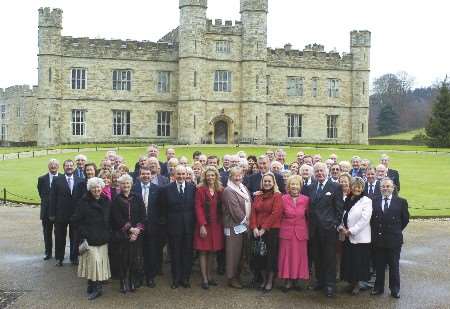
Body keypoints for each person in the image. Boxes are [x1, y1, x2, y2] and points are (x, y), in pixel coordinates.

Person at [306, 162, 343, 297]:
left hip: (329, 230)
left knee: (329, 258)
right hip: (314, 229)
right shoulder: (310, 187)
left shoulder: (335, 187)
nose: (319, 173)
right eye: (317, 172)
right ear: (314, 174)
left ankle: (330, 285)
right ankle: (320, 281)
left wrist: (334, 224)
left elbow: (339, 208)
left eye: (321, 171)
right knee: (317, 257)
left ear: (326, 172)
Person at [71, 177, 111, 300]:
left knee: (99, 264)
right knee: (93, 263)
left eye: (98, 187)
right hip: (89, 238)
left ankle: (96, 287)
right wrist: (84, 233)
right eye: (93, 187)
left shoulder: (106, 201)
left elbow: (110, 219)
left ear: (102, 187)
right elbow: (75, 220)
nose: (96, 189)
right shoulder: (84, 201)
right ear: (90, 189)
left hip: (102, 238)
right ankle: (94, 286)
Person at [158, 165, 196, 289]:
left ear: (186, 175)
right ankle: (176, 278)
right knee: (175, 254)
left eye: (183, 174)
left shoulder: (192, 188)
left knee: (187, 253)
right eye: (178, 174)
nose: (180, 176)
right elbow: (162, 210)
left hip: (188, 227)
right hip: (173, 228)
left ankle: (185, 278)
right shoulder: (166, 189)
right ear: (174, 175)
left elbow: (194, 209)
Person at [371, 178, 409, 299]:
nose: (385, 188)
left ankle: (395, 289)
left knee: (394, 266)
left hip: (394, 240)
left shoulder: (401, 202)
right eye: (383, 186)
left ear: (393, 188)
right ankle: (378, 288)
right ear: (380, 188)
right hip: (379, 239)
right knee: (379, 266)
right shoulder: (374, 201)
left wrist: (396, 231)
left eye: (388, 186)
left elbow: (405, 219)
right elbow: (371, 220)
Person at [111, 174, 146, 293]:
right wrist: (130, 229)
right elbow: (116, 218)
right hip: (122, 235)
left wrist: (137, 231)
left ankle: (132, 281)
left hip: (137, 235)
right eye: (123, 183)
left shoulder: (137, 197)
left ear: (131, 184)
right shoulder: (116, 199)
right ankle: (123, 282)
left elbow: (143, 215)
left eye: (127, 183)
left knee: (134, 259)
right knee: (123, 259)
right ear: (119, 185)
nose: (126, 185)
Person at [338, 177, 372, 295]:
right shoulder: (348, 198)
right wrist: (341, 227)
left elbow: (365, 219)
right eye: (355, 186)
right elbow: (342, 215)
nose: (357, 188)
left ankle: (357, 284)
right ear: (351, 187)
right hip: (346, 236)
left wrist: (351, 231)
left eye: (359, 186)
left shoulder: (366, 200)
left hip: (359, 237)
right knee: (349, 261)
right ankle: (351, 283)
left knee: (358, 262)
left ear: (362, 188)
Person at [249, 173, 282, 292]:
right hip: (257, 230)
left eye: (269, 181)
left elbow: (276, 213)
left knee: (270, 257)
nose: (267, 183)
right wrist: (254, 227)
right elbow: (253, 212)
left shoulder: (277, 196)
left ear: (273, 183)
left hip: (271, 230)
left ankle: (270, 281)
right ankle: (263, 279)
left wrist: (263, 228)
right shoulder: (258, 195)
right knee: (259, 256)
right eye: (265, 181)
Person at [278, 175, 310, 292]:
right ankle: (287, 281)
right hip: (286, 232)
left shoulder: (306, 199)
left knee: (299, 257)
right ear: (288, 186)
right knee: (287, 257)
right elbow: (279, 216)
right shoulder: (283, 198)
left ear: (300, 186)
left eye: (296, 184)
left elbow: (309, 217)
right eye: (292, 184)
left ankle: (296, 280)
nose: (294, 186)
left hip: (301, 233)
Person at [194, 166, 224, 290]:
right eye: (208, 175)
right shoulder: (200, 190)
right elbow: (198, 207)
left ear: (216, 176)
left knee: (212, 251)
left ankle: (210, 276)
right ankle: (204, 278)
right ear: (204, 176)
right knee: (203, 251)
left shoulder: (220, 189)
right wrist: (202, 225)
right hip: (204, 225)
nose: (210, 177)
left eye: (213, 175)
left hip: (216, 225)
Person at [49, 159, 83, 266]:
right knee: (59, 237)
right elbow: (52, 198)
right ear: (63, 167)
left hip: (75, 214)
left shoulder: (80, 180)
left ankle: (74, 257)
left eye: (71, 165)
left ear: (74, 167)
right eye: (67, 165)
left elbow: (82, 199)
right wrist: (52, 214)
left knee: (75, 237)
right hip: (60, 214)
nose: (69, 167)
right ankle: (59, 258)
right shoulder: (57, 180)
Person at [222, 166, 251, 289]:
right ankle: (231, 278)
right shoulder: (229, 190)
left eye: (240, 175)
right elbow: (234, 209)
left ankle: (237, 276)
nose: (238, 177)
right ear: (231, 177)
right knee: (233, 254)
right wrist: (246, 221)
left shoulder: (243, 187)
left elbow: (248, 201)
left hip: (243, 226)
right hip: (234, 226)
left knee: (241, 253)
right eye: (235, 175)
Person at [132, 167, 161, 288]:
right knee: (138, 253)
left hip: (152, 227)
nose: (146, 176)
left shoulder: (157, 189)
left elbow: (161, 208)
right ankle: (138, 277)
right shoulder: (134, 188)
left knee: (151, 253)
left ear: (152, 175)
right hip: (138, 226)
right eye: (143, 174)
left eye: (148, 174)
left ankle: (150, 277)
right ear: (139, 175)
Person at [37, 159, 62, 260]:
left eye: (55, 165)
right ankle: (48, 253)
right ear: (48, 166)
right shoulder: (42, 179)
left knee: (59, 233)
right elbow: (41, 193)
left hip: (59, 211)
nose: (53, 167)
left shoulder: (62, 177)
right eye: (51, 165)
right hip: (46, 211)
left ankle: (58, 254)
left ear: (58, 166)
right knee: (47, 233)